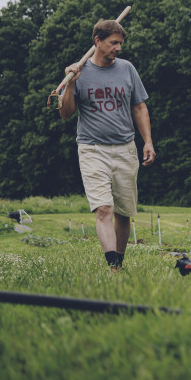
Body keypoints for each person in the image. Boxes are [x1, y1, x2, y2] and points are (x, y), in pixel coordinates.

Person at [58, 19, 156, 269]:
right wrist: (70, 82)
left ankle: (119, 263)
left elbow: (139, 106)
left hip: (125, 148)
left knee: (124, 213)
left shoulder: (127, 69)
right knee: (103, 209)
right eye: (114, 43)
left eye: (120, 43)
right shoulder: (79, 72)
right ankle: (112, 265)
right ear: (97, 42)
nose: (118, 48)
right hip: (92, 149)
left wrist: (147, 141)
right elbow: (66, 113)